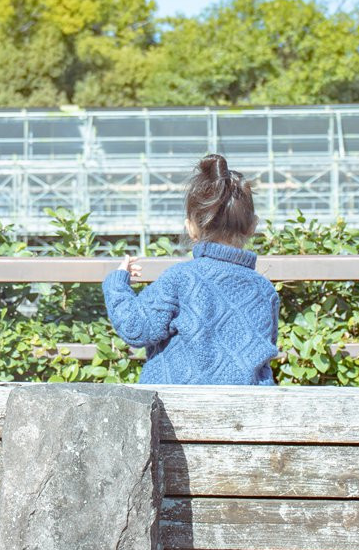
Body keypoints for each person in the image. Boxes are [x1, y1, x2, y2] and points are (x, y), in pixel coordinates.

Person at [102, 154, 280, 385]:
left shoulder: (180, 278)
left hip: (175, 410)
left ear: (191, 229)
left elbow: (137, 328)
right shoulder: (264, 290)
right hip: (246, 411)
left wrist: (117, 284)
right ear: (253, 227)